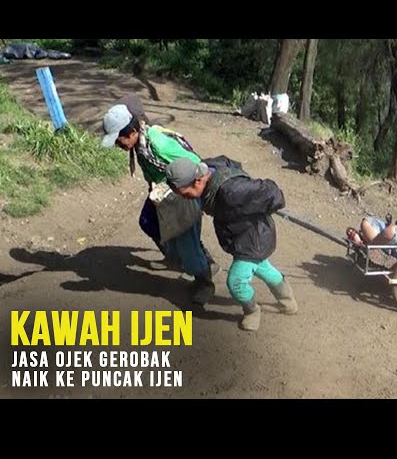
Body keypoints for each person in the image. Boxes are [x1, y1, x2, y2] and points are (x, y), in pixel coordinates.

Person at [101, 104, 218, 305]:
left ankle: (204, 280)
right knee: (148, 221)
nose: (117, 144)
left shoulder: (159, 144)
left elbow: (196, 163)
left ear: (132, 132)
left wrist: (188, 192)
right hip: (162, 191)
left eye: (118, 139)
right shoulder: (141, 143)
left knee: (187, 242)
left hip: (182, 193)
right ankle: (178, 257)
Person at [165, 157, 298, 332]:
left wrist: (262, 206)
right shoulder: (210, 168)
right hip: (245, 234)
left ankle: (252, 311)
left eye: (185, 193)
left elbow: (274, 193)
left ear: (197, 181)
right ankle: (288, 301)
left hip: (252, 239)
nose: (185, 197)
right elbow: (232, 163)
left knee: (235, 282)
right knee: (262, 267)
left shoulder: (231, 192)